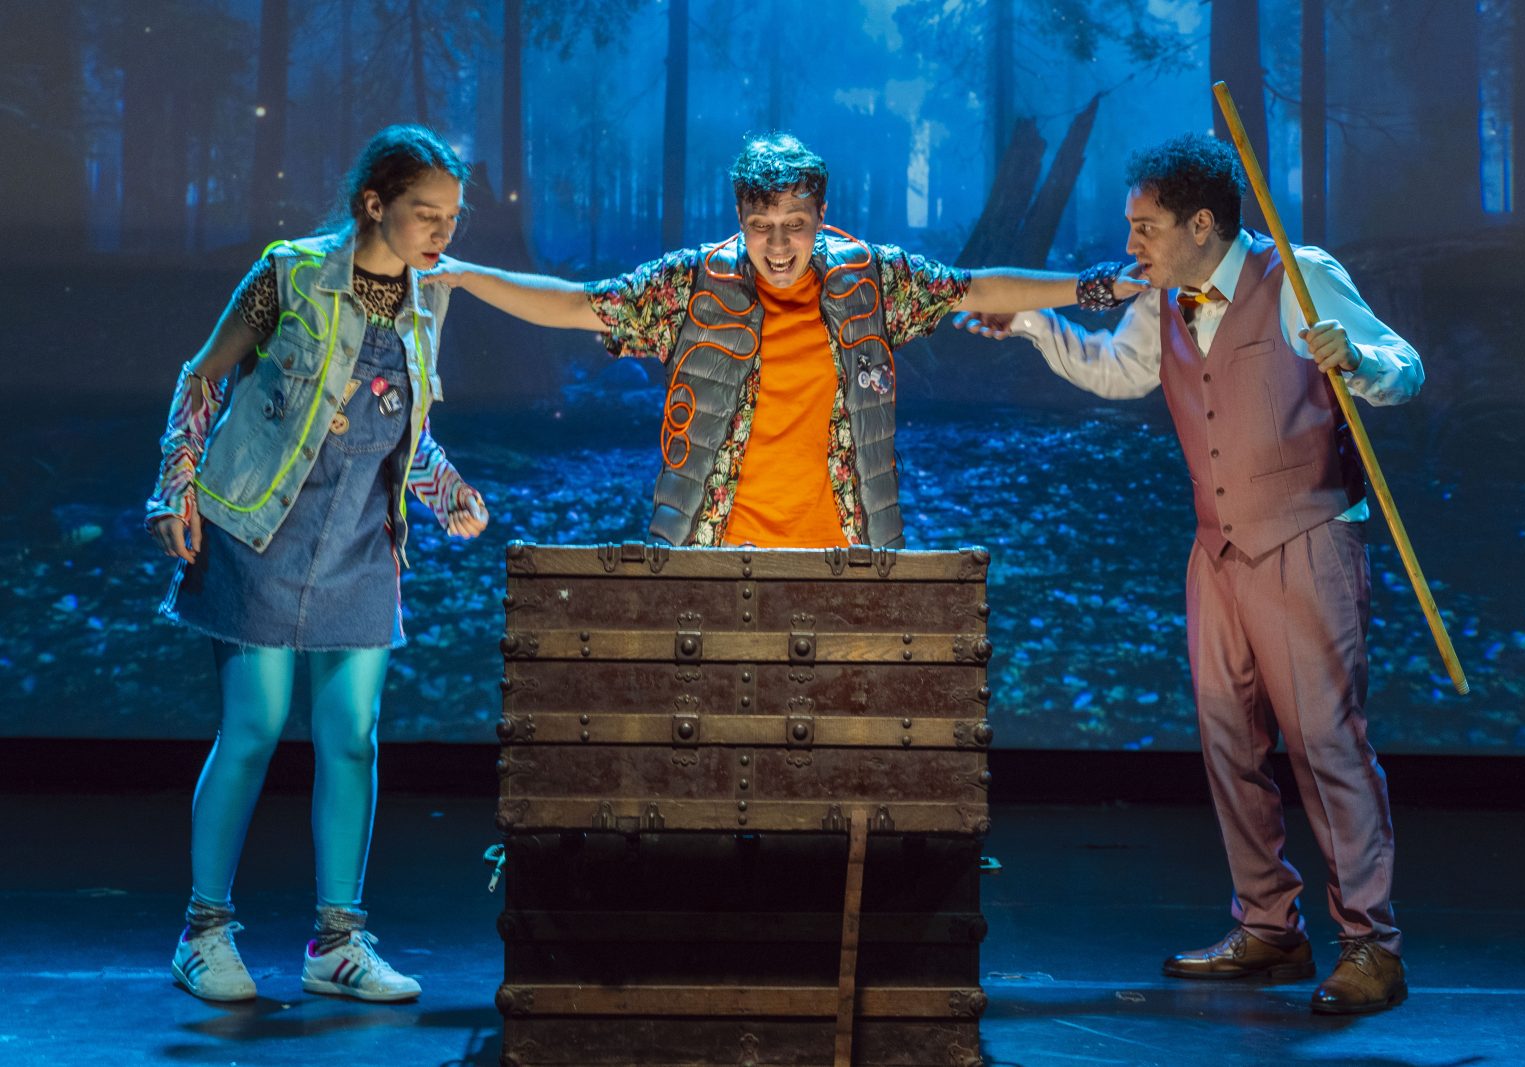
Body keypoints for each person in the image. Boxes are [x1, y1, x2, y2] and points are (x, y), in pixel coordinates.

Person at [960, 133, 1423, 1015]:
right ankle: (1269, 924)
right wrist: (1030, 324)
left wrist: (1359, 361)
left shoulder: (1297, 275)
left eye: (1145, 227)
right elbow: (1122, 371)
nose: (1131, 244)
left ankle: (1371, 943)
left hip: (1307, 535)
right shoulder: (1164, 297)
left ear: (1200, 223)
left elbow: (1405, 368)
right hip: (1217, 549)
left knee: (1326, 743)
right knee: (1229, 743)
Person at [144, 124, 489, 1004]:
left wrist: (445, 487)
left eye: (452, 216)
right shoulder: (290, 273)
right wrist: (175, 485)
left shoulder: (428, 298)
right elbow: (201, 377)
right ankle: (203, 931)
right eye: (426, 212)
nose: (442, 231)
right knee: (255, 725)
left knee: (353, 736)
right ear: (374, 204)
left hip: (360, 545)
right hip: (259, 531)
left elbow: (402, 427)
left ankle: (337, 943)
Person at [430, 132, 1144, 548]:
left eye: (794, 225)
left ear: (820, 215)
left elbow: (975, 288)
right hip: (715, 555)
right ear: (740, 217)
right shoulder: (693, 286)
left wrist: (1096, 286)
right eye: (761, 226)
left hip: (845, 555)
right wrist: (462, 274)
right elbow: (577, 304)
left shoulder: (868, 281)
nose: (778, 246)